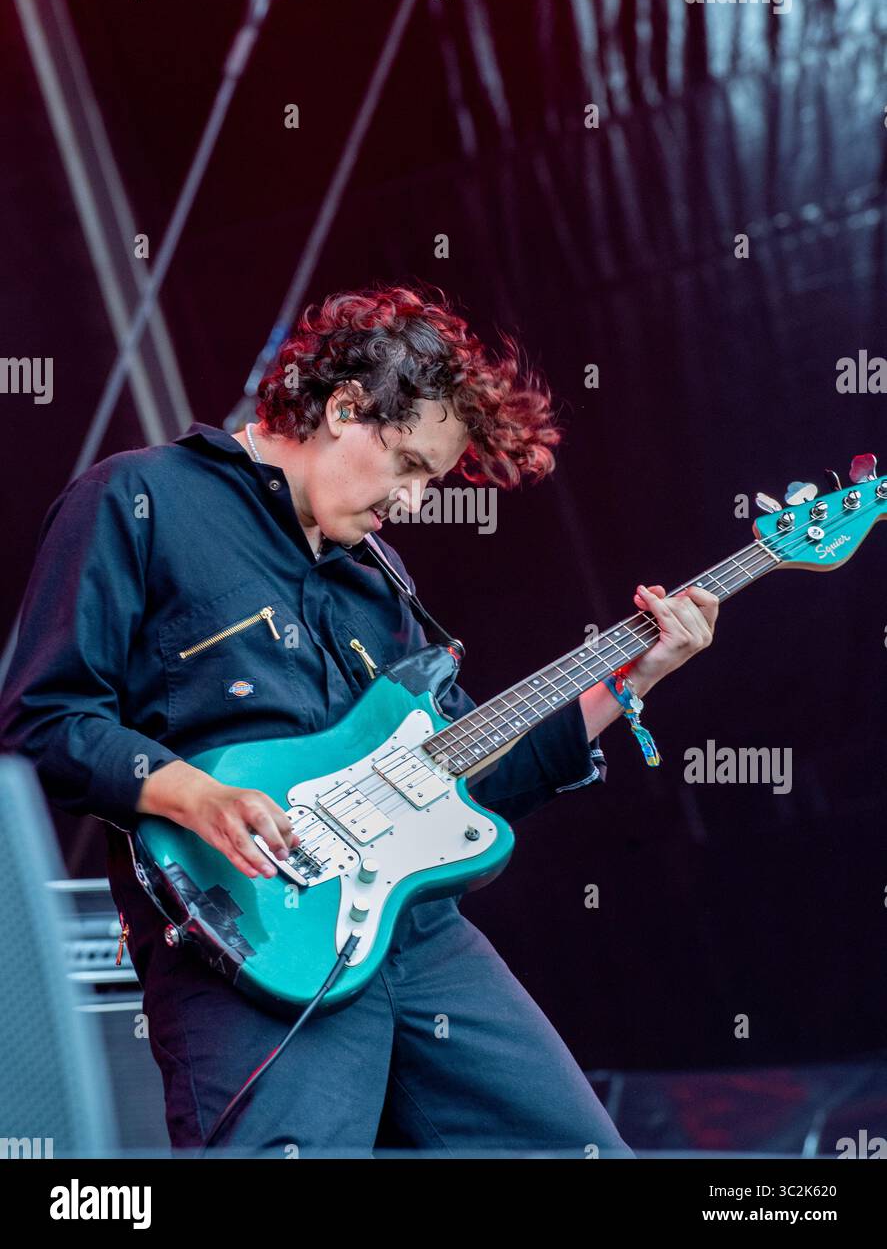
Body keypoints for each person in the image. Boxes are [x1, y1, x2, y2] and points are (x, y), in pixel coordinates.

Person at [0, 285, 718, 1158]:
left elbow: (471, 781)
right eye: (409, 465)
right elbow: (46, 716)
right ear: (344, 409)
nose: (415, 501)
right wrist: (192, 793)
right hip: (248, 930)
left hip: (414, 938)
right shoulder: (140, 497)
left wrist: (628, 679)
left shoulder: (379, 581)